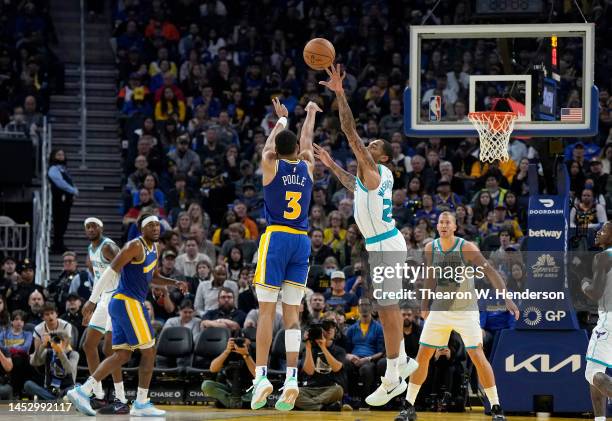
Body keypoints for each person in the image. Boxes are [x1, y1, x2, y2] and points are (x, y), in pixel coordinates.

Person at [317, 64, 418, 407]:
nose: (368, 146)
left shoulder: (374, 168)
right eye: (369, 144)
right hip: (382, 244)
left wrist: (340, 93)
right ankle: (401, 361)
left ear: (383, 156)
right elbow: (354, 185)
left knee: (388, 308)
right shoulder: (374, 175)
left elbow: (349, 130)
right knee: (385, 307)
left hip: (386, 244)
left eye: (374, 145)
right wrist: (331, 166)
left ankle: (393, 375)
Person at [395, 212, 519, 421]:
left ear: (454, 227)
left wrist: (507, 298)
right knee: (422, 356)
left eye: (447, 222)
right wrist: (425, 305)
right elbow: (430, 278)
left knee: (477, 356)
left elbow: (490, 272)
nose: (443, 225)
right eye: (440, 222)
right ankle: (409, 406)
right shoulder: (430, 248)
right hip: (440, 310)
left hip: (465, 310)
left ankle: (496, 407)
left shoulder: (466, 247)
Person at [67, 214, 187, 417]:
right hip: (127, 302)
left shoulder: (155, 248)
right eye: (151, 225)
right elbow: (110, 272)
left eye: (158, 225)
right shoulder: (134, 246)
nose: (156, 228)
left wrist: (173, 283)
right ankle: (141, 403)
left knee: (122, 354)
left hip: (123, 303)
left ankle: (82, 391)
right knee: (149, 351)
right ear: (142, 229)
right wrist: (92, 300)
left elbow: (153, 276)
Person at [250, 98, 320, 411]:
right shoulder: (307, 165)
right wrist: (310, 115)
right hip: (301, 242)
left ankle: (261, 375)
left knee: (267, 311)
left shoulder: (270, 162)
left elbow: (268, 146)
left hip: (277, 238)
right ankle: (291, 377)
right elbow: (307, 142)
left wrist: (281, 119)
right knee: (292, 314)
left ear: (277, 150)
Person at [79, 217, 128, 413]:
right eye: (87, 227)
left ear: (101, 228)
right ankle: (98, 396)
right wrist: (94, 303)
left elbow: (126, 268)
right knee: (88, 345)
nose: (90, 229)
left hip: (116, 297)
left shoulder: (109, 247)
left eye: (94, 226)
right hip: (103, 299)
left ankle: (121, 399)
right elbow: (100, 278)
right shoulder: (91, 249)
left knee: (110, 350)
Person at [582, 221, 612, 421]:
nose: (598, 232)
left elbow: (595, 292)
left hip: (609, 320)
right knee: (597, 368)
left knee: (592, 372)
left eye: (603, 230)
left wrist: (583, 283)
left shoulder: (603, 257)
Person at [296, 319, 346, 411]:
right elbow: (309, 371)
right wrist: (307, 346)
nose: (329, 330)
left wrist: (323, 347)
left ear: (335, 331)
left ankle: (309, 404)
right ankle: (324, 408)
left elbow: (336, 368)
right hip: (309, 389)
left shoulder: (339, 351)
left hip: (329, 389)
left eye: (331, 327)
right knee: (293, 392)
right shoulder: (309, 349)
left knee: (339, 390)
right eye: (326, 328)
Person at [201, 336, 255, 409]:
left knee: (264, 388)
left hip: (248, 390)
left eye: (243, 342)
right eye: (237, 341)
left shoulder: (254, 351)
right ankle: (240, 404)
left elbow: (258, 374)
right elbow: (213, 369)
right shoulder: (228, 351)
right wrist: (226, 351)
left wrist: (246, 355)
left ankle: (230, 403)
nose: (240, 344)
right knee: (206, 385)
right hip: (229, 389)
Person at [25, 331, 79, 400]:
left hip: (66, 389)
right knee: (28, 384)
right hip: (51, 390)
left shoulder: (74, 354)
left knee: (78, 386)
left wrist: (60, 352)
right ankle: (59, 400)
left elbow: (69, 370)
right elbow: (33, 362)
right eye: (56, 340)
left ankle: (49, 399)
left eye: (60, 340)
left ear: (67, 342)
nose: (57, 342)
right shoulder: (48, 352)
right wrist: (42, 346)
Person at [48, 149, 78, 253]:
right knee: (59, 223)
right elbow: (60, 183)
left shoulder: (63, 169)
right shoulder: (53, 169)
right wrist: (73, 190)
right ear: (53, 156)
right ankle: (57, 245)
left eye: (62, 154)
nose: (61, 157)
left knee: (64, 223)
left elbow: (68, 181)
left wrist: (73, 191)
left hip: (65, 201)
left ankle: (59, 244)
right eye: (58, 155)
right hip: (59, 200)